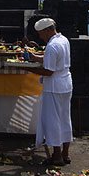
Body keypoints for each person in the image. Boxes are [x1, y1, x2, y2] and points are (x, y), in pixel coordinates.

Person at [24, 17, 73, 166]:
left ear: (48, 30)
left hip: (54, 86)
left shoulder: (52, 46)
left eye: (40, 33)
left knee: (53, 121)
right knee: (65, 119)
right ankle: (65, 154)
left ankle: (57, 155)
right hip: (65, 83)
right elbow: (52, 60)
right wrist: (35, 57)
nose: (39, 36)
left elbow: (48, 71)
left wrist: (28, 68)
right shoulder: (63, 40)